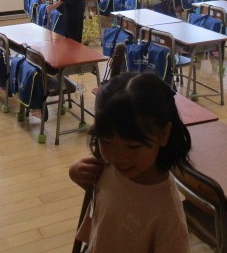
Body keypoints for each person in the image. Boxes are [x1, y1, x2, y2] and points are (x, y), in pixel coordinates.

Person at [69, 72, 192, 253]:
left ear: (163, 134)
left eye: (133, 146)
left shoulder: (167, 214)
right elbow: (108, 195)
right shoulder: (107, 166)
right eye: (106, 142)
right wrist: (77, 173)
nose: (118, 157)